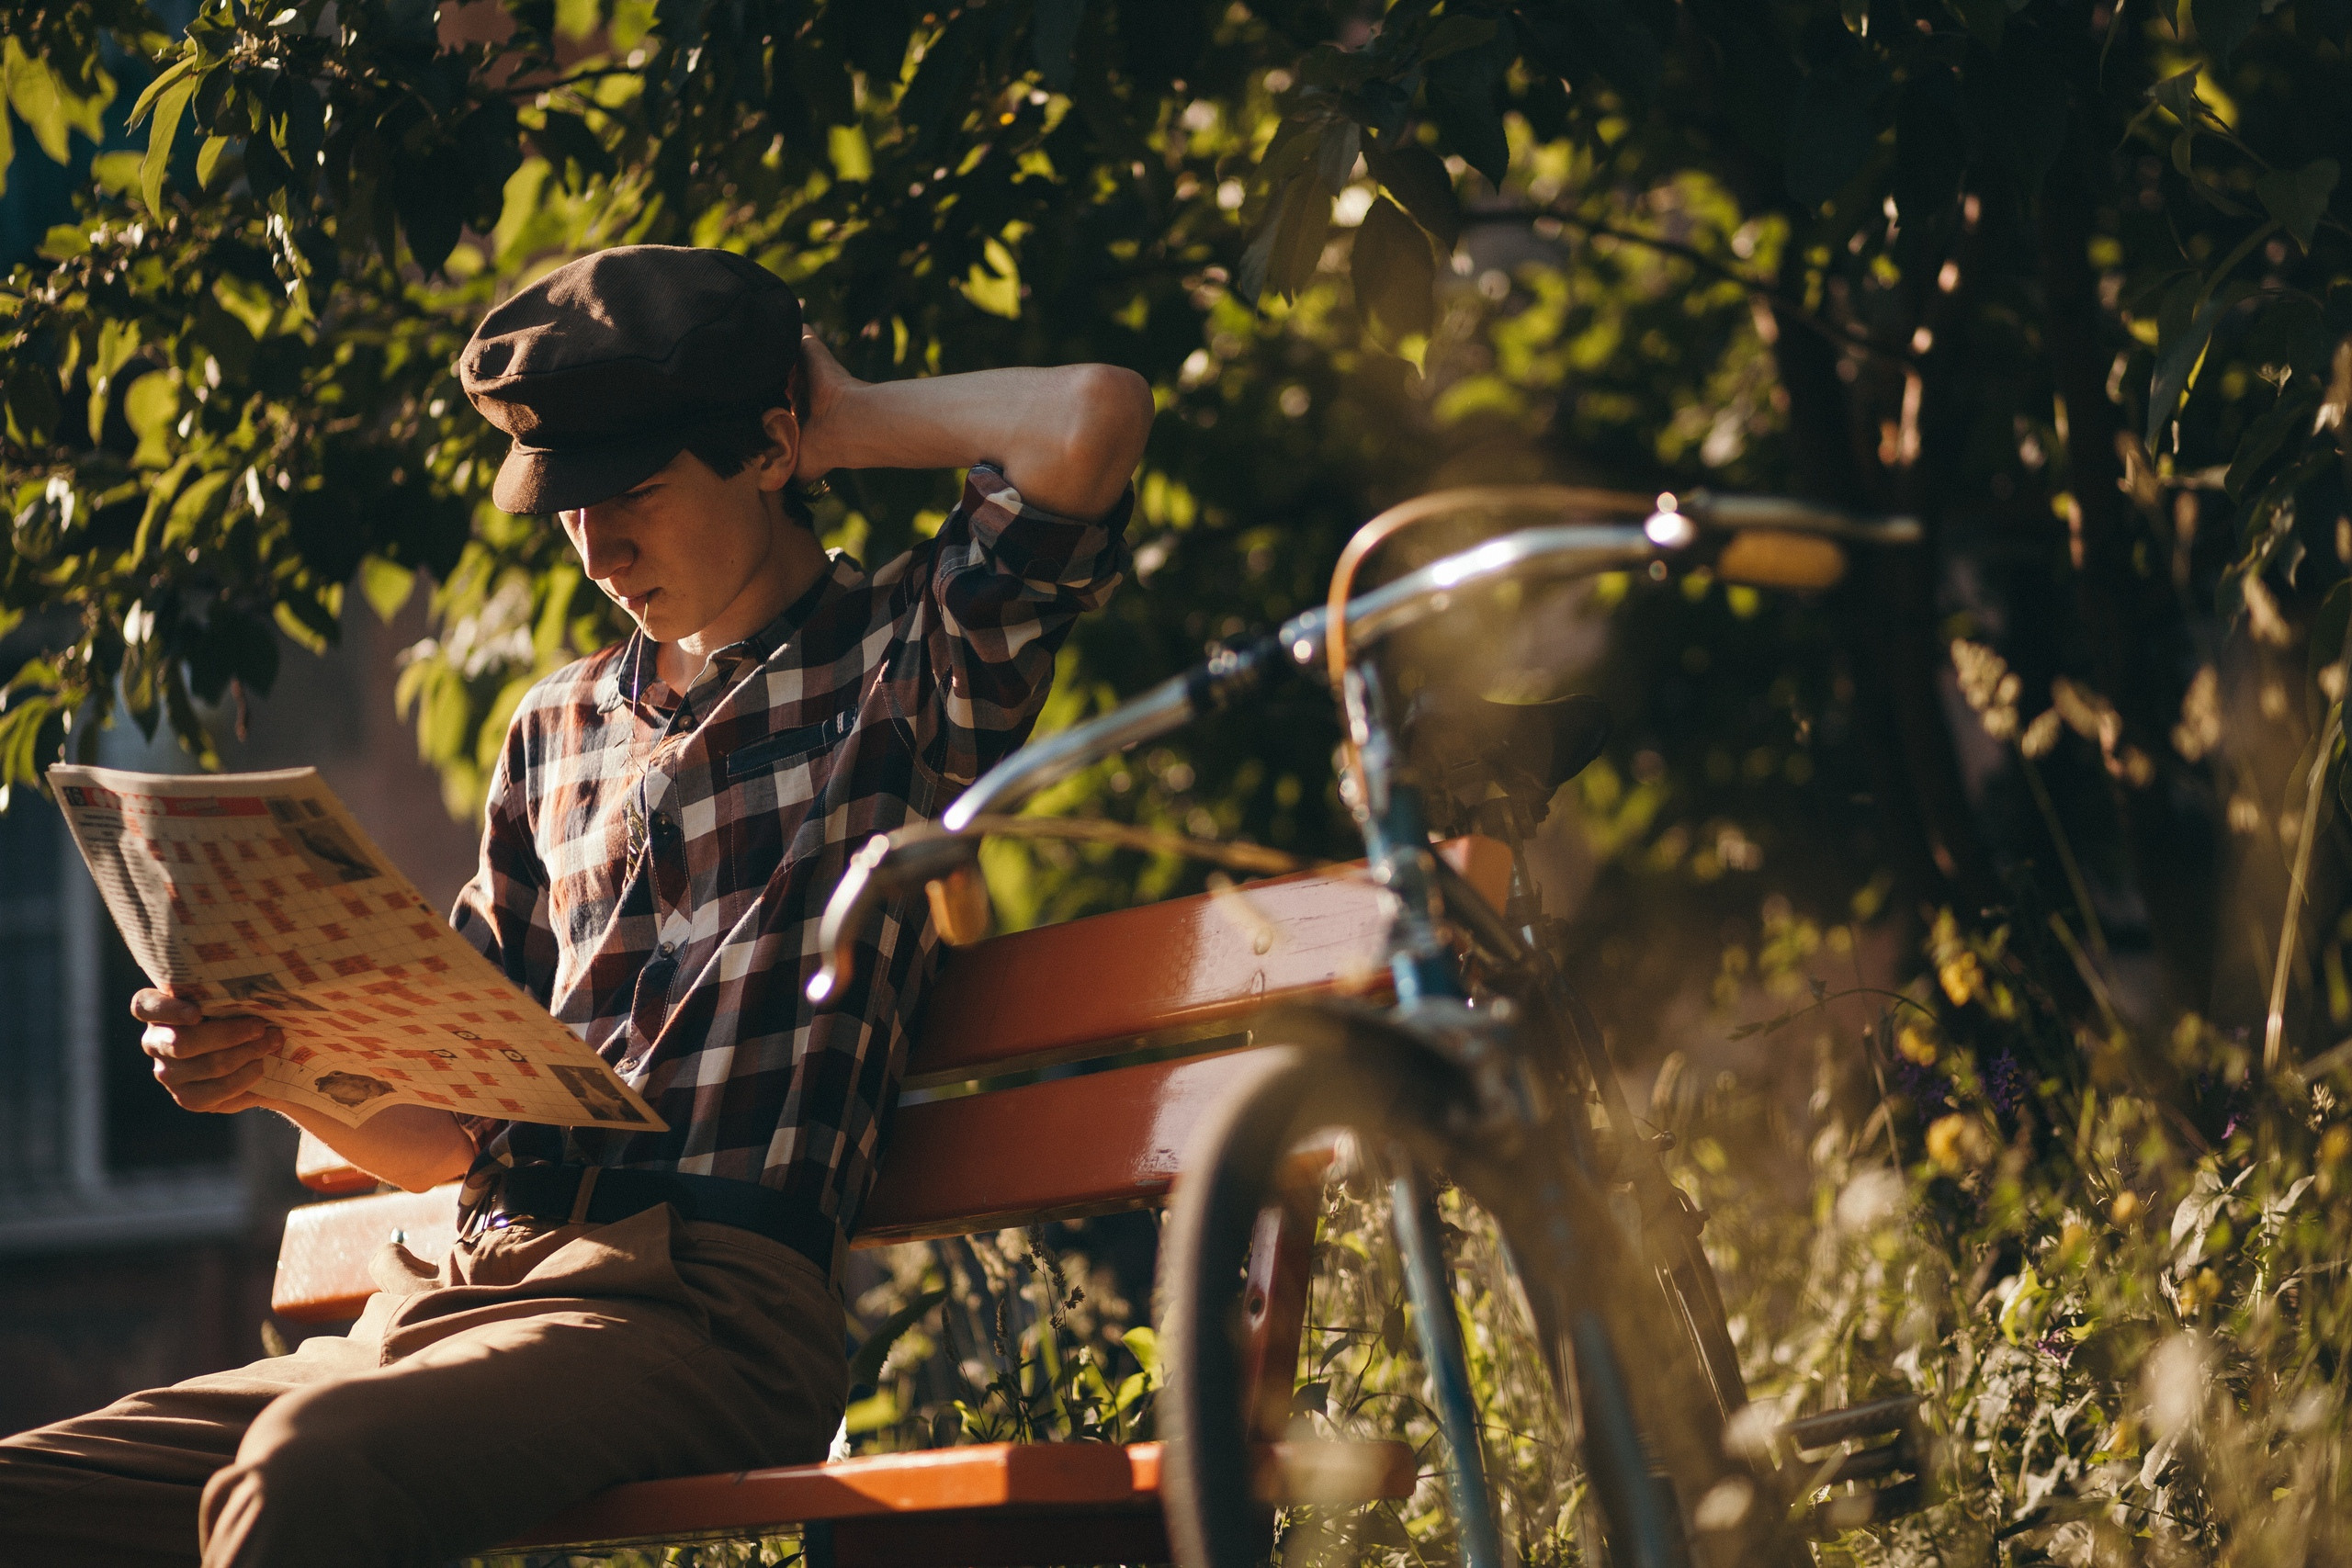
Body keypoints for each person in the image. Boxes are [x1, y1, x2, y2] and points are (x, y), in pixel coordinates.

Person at [0, 245, 1153, 1566]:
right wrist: (277, 1070)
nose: (599, 550)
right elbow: (451, 1136)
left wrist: (842, 421)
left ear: (770, 448)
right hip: (462, 1292)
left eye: (636, 495)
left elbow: (1091, 421)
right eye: (568, 511)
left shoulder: (901, 665)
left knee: (303, 1476)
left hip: (702, 1314)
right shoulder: (554, 729)